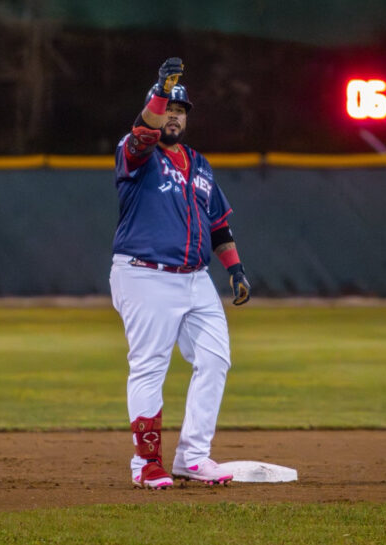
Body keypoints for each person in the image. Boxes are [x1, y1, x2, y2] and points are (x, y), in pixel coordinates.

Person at [109, 57, 251, 489]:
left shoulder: (200, 164)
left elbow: (218, 224)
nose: (174, 115)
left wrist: (235, 268)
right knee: (150, 365)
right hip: (144, 273)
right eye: (168, 108)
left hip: (195, 278)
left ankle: (192, 456)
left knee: (215, 359)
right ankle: (146, 463)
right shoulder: (137, 153)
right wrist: (159, 91)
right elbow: (142, 134)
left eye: (180, 110)